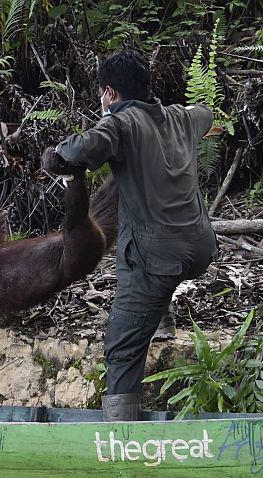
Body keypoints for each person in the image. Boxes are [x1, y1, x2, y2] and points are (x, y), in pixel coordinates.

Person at [45, 50, 219, 421]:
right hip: (201, 247)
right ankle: (163, 321)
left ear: (110, 93)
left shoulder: (120, 124)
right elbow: (206, 114)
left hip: (159, 255)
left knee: (122, 348)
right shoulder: (180, 117)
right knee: (153, 268)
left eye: (103, 95)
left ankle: (121, 441)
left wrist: (55, 155)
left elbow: (77, 148)